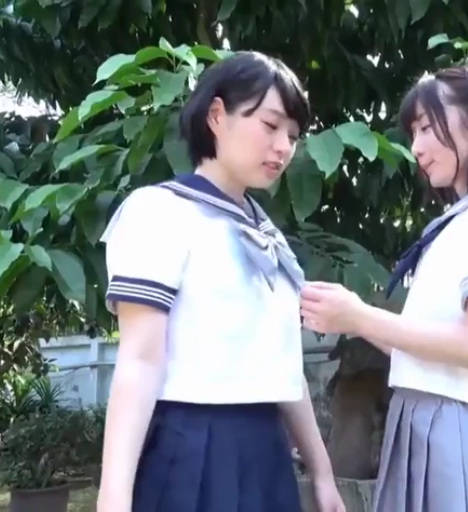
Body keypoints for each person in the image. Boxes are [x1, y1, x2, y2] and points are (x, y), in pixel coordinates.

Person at [299, 65, 468, 511]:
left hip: (459, 432)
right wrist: (351, 317)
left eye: (427, 127)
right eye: (413, 133)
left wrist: (359, 316)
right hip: (429, 426)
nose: (417, 148)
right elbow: (427, 346)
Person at [96, 51, 345, 512]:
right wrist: (114, 498)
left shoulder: (267, 234)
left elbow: (284, 368)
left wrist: (322, 472)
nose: (283, 147)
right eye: (270, 125)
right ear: (216, 115)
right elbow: (139, 361)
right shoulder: (159, 211)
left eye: (293, 135)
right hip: (193, 449)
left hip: (267, 453)